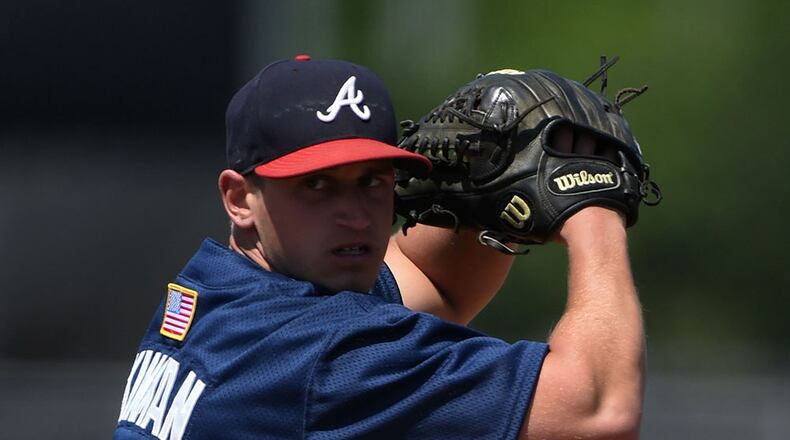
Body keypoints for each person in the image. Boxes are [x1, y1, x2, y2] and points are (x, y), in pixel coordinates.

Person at [113, 55, 644, 439]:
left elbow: (433, 282)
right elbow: (599, 411)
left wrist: (499, 193)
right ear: (239, 198)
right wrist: (592, 212)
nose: (356, 215)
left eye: (372, 180)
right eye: (317, 185)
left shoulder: (215, 292)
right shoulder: (324, 358)